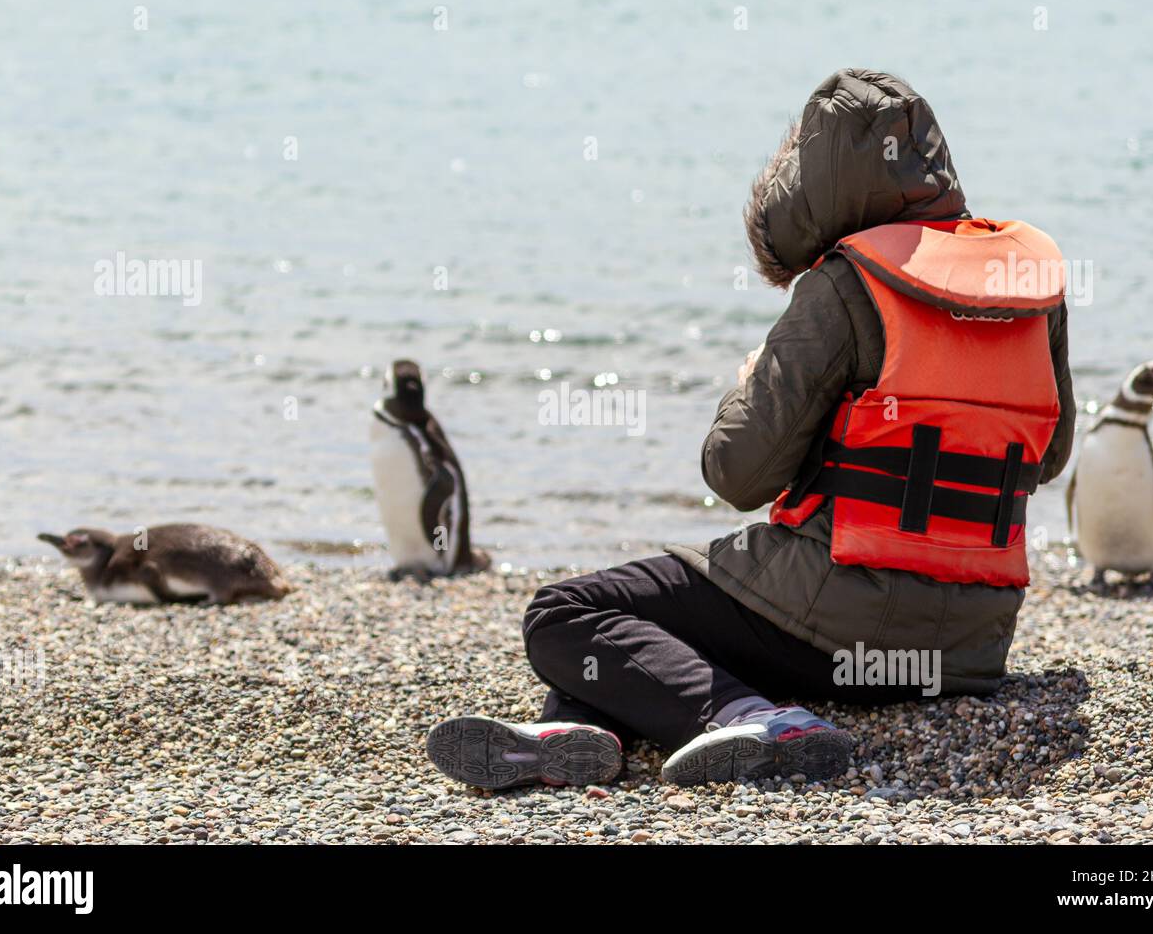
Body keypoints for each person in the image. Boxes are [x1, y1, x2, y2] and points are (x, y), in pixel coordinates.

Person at [425, 68, 1075, 789]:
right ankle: (578, 732)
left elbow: (736, 475)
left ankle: (754, 719)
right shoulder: (1029, 283)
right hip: (967, 654)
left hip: (830, 628)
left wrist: (752, 382)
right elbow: (1047, 458)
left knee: (565, 612)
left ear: (820, 178)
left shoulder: (843, 284)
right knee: (660, 635)